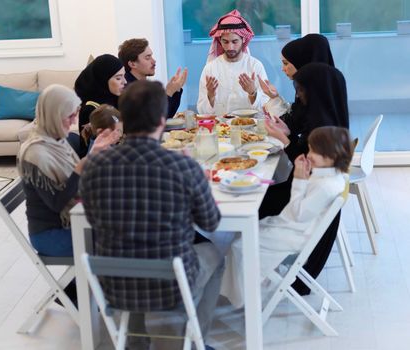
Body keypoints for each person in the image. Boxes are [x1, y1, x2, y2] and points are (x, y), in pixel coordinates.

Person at [80, 80, 224, 350]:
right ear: (162, 120)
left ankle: (136, 342)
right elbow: (211, 223)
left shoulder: (95, 165)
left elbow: (92, 217)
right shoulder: (182, 166)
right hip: (170, 284)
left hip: (114, 284)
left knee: (129, 249)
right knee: (215, 254)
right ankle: (195, 341)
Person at [223, 126, 353, 307]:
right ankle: (245, 290)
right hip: (292, 228)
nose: (309, 154)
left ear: (331, 155)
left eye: (314, 151)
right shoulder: (331, 177)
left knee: (240, 244)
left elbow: (298, 213)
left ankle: (245, 297)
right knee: (241, 239)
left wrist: (300, 179)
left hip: (294, 235)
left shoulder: (325, 186)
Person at [17, 85, 120, 303]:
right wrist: (79, 170)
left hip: (71, 223)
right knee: (119, 238)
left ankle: (83, 291)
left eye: (75, 114)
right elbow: (56, 202)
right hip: (50, 234)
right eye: (70, 116)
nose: (74, 121)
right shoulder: (35, 152)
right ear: (54, 115)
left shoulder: (56, 141)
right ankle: (81, 294)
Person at [261, 62, 350, 295]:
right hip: (302, 192)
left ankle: (247, 264)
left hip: (302, 200)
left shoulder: (324, 126)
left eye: (301, 91)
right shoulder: (326, 115)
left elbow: (306, 164)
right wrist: (289, 134)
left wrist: (284, 140)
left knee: (250, 203)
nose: (299, 96)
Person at [197, 9, 269, 115]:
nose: (230, 47)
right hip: (220, 129)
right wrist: (210, 96)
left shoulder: (255, 66)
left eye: (235, 41)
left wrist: (253, 93)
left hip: (250, 129)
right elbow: (202, 111)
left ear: (243, 39)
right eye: (225, 42)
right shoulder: (210, 68)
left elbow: (267, 108)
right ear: (220, 41)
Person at [260, 33, 335, 119]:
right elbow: (294, 117)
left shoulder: (316, 95)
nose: (283, 69)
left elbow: (291, 127)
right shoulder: (307, 87)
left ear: (301, 62)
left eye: (286, 63)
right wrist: (274, 97)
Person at [118, 38, 187, 118]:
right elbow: (155, 120)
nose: (154, 61)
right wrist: (169, 92)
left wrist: (176, 89)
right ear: (133, 64)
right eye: (147, 57)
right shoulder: (128, 89)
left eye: (151, 56)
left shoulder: (145, 86)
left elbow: (168, 115)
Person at [74, 54, 126, 157]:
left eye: (124, 76)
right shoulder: (91, 109)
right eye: (118, 78)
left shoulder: (115, 99)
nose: (125, 82)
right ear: (103, 79)